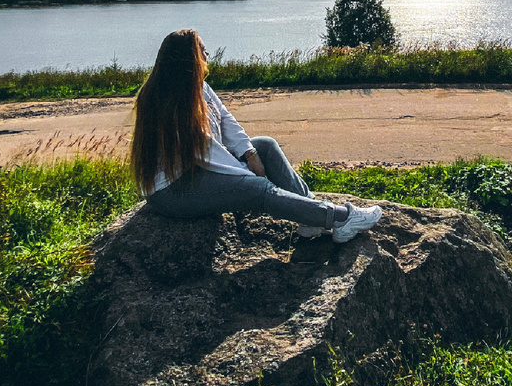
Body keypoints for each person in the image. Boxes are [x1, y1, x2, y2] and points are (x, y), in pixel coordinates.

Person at [130, 28, 382, 243]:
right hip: (173, 190)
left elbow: (226, 119)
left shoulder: (198, 86)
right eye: (202, 50)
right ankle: (340, 218)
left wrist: (250, 154)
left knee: (266, 146)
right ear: (188, 59)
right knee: (258, 188)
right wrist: (245, 173)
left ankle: (310, 217)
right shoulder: (169, 99)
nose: (207, 54)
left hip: (197, 169)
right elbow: (205, 151)